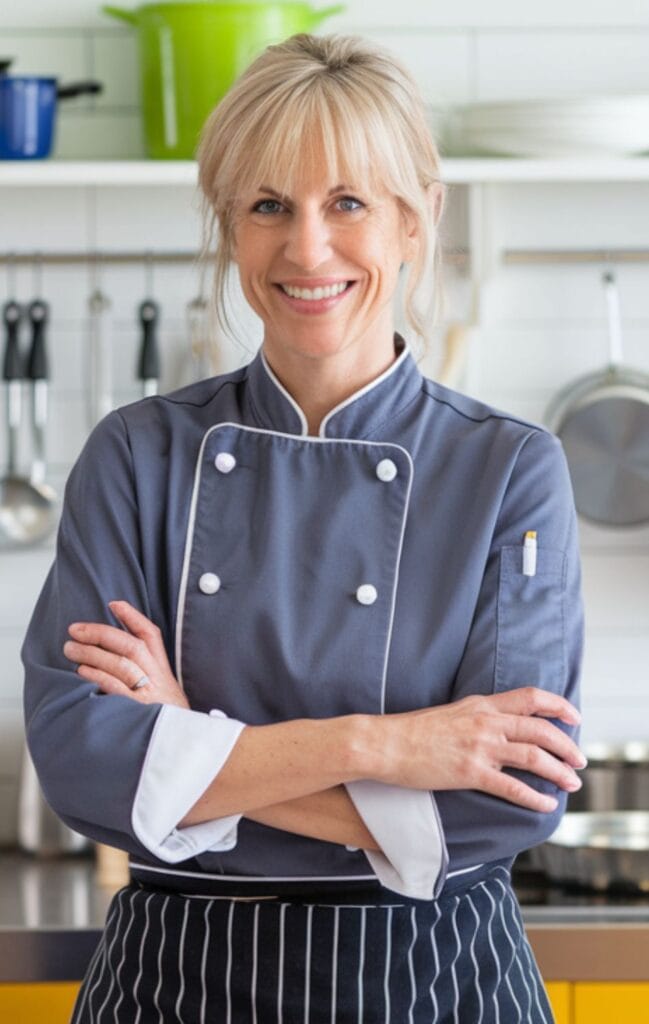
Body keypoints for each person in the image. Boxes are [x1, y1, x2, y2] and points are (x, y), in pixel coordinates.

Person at [23, 33, 585, 1023]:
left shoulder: (507, 469)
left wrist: (188, 748)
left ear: (416, 222)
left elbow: (505, 804)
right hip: (178, 979)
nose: (306, 248)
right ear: (230, 229)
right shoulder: (136, 455)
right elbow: (84, 760)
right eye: (267, 206)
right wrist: (391, 746)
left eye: (349, 203)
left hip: (436, 979)